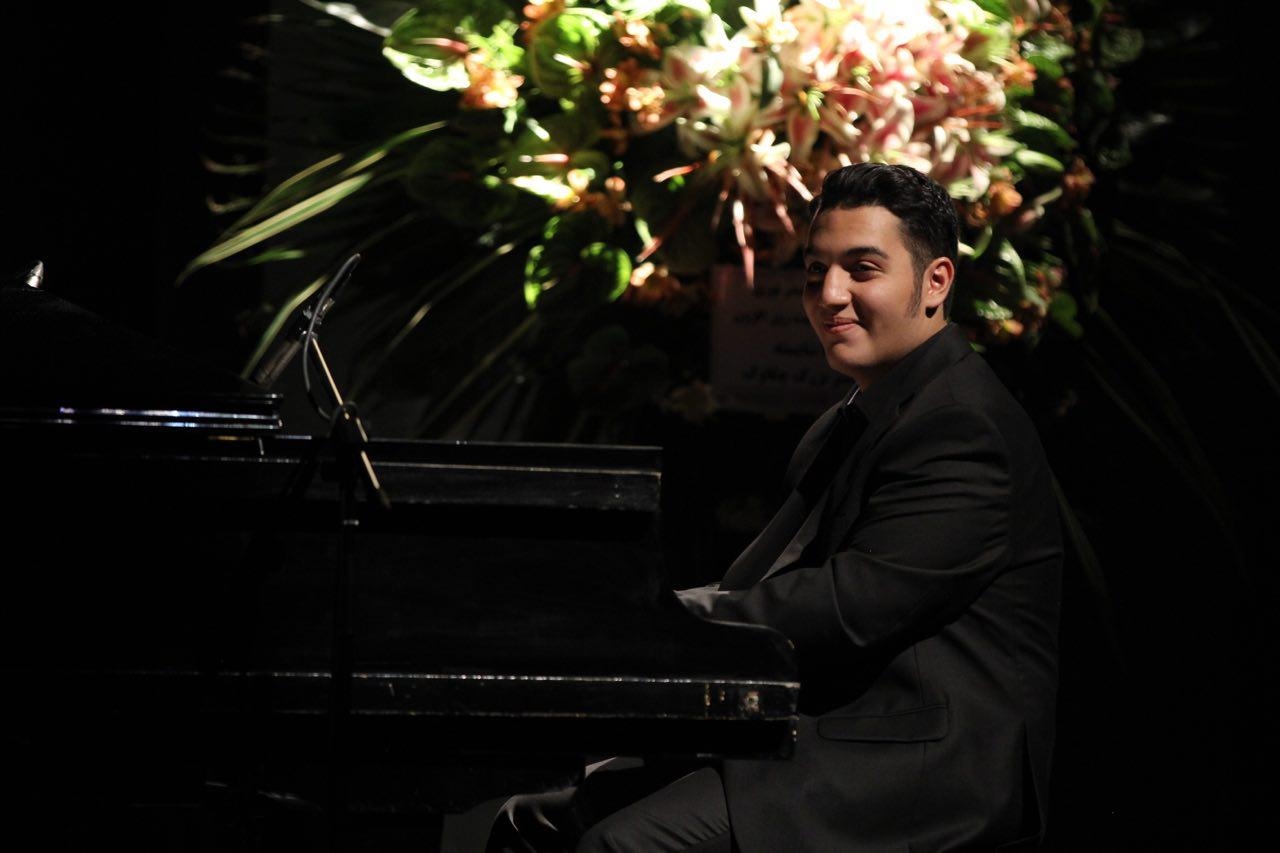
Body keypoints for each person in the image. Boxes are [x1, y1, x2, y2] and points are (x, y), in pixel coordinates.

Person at [489, 162, 1064, 852]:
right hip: (828, 730)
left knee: (622, 844)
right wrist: (637, 613)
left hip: (916, 764)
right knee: (530, 821)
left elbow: (851, 605)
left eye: (862, 269)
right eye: (816, 270)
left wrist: (658, 621)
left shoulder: (961, 424)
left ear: (936, 281)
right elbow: (764, 580)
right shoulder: (864, 411)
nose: (829, 295)